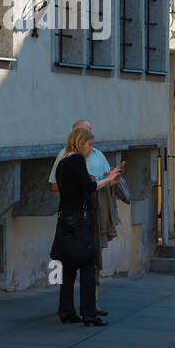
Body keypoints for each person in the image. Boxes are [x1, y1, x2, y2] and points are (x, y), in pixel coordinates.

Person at [54, 127, 124, 326]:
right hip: (80, 221)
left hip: (64, 220)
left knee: (68, 267)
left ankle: (66, 311)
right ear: (80, 142)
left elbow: (73, 187)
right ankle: (88, 313)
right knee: (88, 264)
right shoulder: (76, 160)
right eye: (89, 144)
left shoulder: (62, 161)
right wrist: (109, 178)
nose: (90, 148)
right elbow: (90, 188)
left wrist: (91, 180)